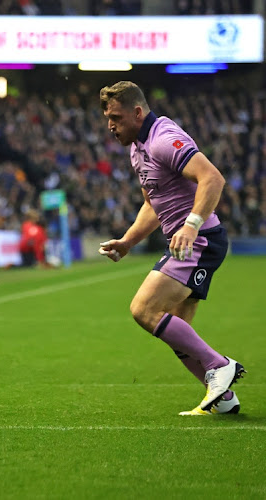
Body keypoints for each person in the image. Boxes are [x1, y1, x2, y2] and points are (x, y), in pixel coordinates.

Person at [97, 81, 245, 415]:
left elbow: (212, 178)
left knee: (143, 309)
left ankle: (220, 365)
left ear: (137, 112)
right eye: (107, 117)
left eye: (117, 117)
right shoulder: (137, 147)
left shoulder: (163, 138)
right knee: (178, 329)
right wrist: (128, 241)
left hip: (200, 240)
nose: (110, 125)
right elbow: (153, 205)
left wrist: (191, 226)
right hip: (190, 242)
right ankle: (222, 399)